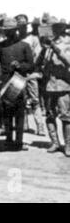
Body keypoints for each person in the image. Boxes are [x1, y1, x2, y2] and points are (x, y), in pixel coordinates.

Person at [0, 17, 34, 151]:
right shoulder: (0, 46)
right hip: (5, 82)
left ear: (16, 30)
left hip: (19, 83)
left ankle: (19, 141)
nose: (8, 33)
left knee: (19, 113)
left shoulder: (24, 46)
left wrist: (20, 66)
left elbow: (31, 65)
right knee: (6, 113)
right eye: (6, 30)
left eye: (10, 30)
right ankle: (8, 139)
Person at [39, 18, 70, 156]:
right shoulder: (48, 43)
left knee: (66, 116)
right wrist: (42, 51)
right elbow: (38, 63)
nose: (55, 29)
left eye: (58, 27)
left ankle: (68, 145)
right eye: (53, 27)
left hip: (63, 85)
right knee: (50, 115)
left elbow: (68, 61)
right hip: (48, 85)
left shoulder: (68, 42)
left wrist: (55, 48)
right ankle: (55, 143)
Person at [15, 14, 45, 136]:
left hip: (31, 72)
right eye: (19, 26)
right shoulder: (15, 39)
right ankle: (24, 125)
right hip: (18, 73)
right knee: (20, 99)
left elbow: (38, 56)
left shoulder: (33, 38)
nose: (21, 28)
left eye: (23, 26)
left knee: (35, 100)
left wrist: (35, 70)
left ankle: (40, 127)